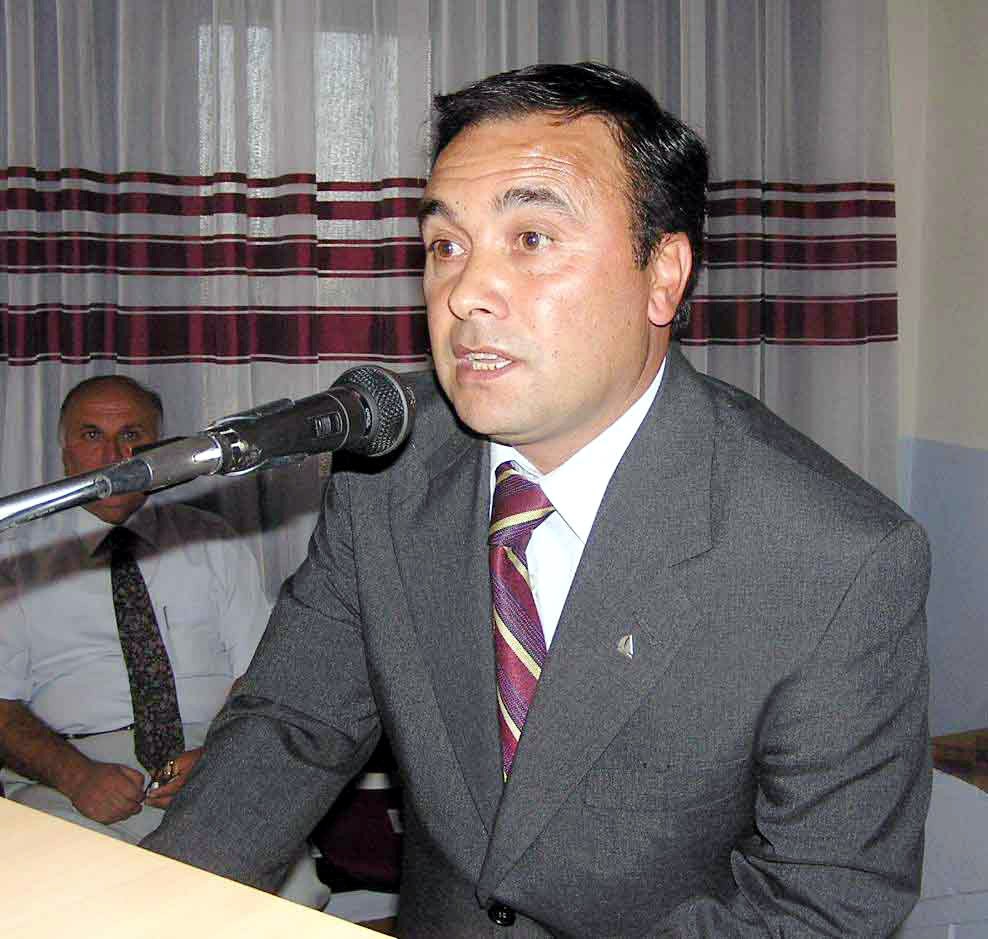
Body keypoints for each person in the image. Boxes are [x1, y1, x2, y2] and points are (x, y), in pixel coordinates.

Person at [145, 63, 931, 937]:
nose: (464, 294)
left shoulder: (834, 556)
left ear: (663, 275)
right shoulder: (390, 473)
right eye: (446, 246)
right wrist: (152, 911)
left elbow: (821, 905)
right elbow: (291, 726)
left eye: (530, 238)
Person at [0, 375, 269, 845]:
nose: (113, 456)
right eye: (91, 435)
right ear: (65, 452)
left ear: (159, 448)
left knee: (277, 879)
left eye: (131, 435)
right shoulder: (15, 560)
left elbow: (264, 675)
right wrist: (75, 776)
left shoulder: (214, 542)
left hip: (215, 758)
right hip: (72, 773)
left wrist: (221, 756)